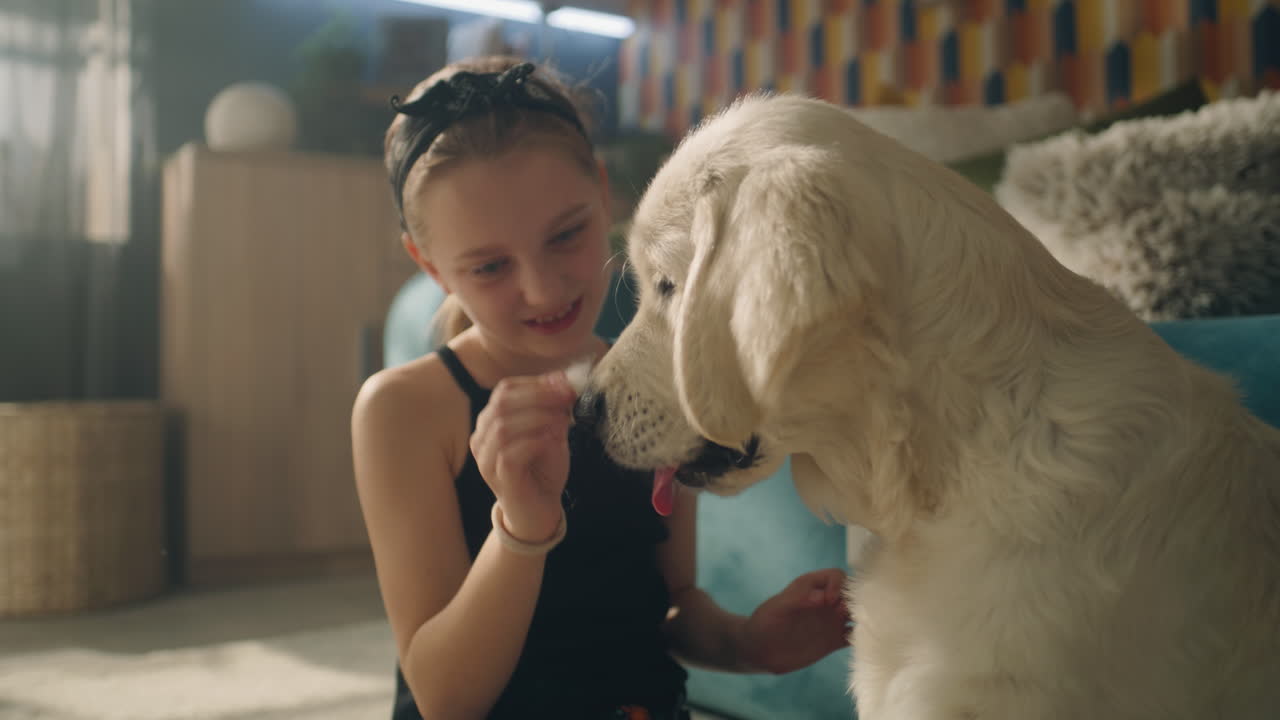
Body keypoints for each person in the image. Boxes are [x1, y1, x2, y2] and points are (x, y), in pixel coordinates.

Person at [351, 55, 851, 720]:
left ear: (606, 193)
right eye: (491, 266)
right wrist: (523, 527)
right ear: (431, 267)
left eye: (566, 234)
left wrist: (746, 642)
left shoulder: (657, 380)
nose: (543, 288)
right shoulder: (406, 411)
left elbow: (671, 604)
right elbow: (444, 698)